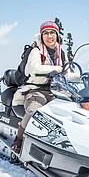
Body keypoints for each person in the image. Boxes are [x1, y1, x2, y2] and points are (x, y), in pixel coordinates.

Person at [11, 20, 67, 154]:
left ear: (57, 35)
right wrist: (57, 69)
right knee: (34, 111)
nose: (49, 36)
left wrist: (83, 76)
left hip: (55, 91)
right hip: (34, 90)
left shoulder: (61, 53)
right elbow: (34, 68)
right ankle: (19, 139)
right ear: (41, 36)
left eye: (52, 33)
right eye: (46, 33)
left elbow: (66, 73)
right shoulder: (36, 51)